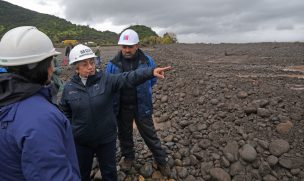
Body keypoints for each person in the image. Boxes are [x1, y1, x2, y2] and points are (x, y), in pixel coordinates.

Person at [60, 44, 170, 181]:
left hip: (106, 140)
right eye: (84, 64)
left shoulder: (106, 80)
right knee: (82, 173)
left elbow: (128, 77)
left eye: (92, 62)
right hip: (82, 142)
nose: (90, 66)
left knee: (110, 173)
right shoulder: (69, 88)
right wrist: (72, 130)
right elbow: (64, 110)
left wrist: (150, 72)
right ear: (76, 67)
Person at [0, 26, 80, 180]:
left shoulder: (6, 99)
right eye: (51, 61)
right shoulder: (42, 119)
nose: (52, 68)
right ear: (42, 67)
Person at [106, 29, 170, 176]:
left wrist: (143, 93)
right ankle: (128, 157)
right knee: (124, 135)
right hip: (122, 108)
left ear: (137, 45)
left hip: (142, 106)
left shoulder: (148, 61)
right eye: (124, 46)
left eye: (130, 46)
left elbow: (152, 80)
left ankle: (161, 161)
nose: (127, 50)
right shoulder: (112, 64)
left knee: (150, 135)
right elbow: (109, 84)